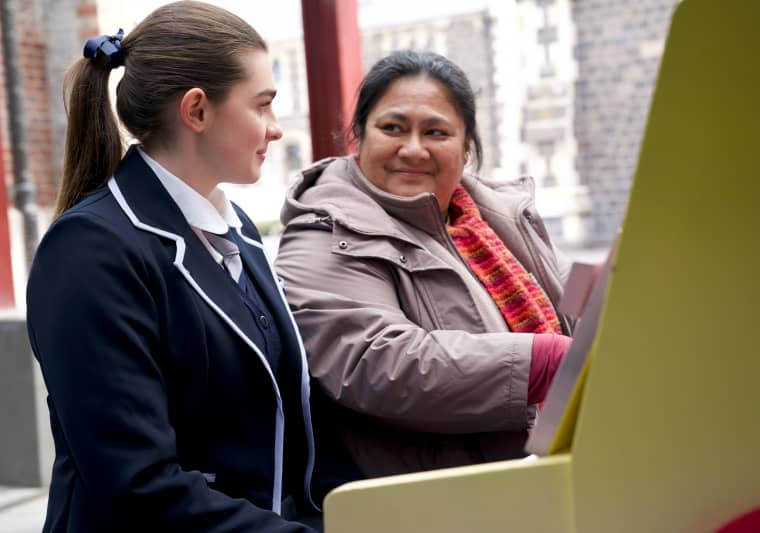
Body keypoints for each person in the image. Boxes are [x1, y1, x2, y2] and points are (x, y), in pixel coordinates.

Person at [26, 2, 347, 531]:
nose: (276, 130)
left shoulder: (235, 226)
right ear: (197, 110)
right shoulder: (90, 252)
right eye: (262, 106)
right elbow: (138, 487)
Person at [275, 50, 575, 478]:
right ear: (359, 135)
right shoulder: (324, 230)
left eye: (436, 132)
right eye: (393, 128)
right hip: (435, 501)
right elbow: (375, 361)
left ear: (466, 145)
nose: (413, 149)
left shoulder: (498, 218)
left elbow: (579, 309)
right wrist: (540, 361)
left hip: (541, 473)